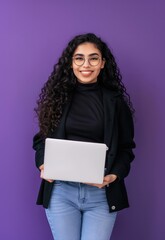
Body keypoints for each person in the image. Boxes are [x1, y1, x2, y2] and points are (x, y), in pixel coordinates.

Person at [32, 33, 136, 240]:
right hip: (61, 192)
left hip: (101, 195)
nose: (86, 64)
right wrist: (43, 165)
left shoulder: (115, 102)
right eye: (79, 58)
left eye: (93, 58)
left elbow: (126, 148)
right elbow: (41, 140)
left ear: (103, 63)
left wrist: (113, 175)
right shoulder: (57, 99)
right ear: (71, 63)